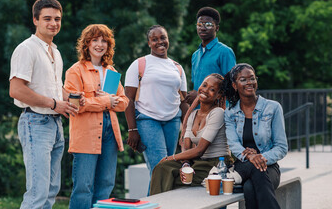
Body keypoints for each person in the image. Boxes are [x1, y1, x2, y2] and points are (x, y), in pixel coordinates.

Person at [9, 0, 82, 209]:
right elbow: (16, 90)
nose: (53, 23)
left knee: (50, 191)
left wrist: (69, 96)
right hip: (35, 122)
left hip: (55, 125)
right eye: (47, 18)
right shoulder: (27, 48)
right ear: (35, 20)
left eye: (57, 19)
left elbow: (54, 87)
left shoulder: (55, 52)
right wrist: (53, 103)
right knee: (37, 193)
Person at [64, 24, 129, 209]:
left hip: (110, 132)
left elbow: (124, 103)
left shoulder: (111, 71)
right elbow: (77, 105)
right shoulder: (75, 71)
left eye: (104, 41)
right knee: (83, 187)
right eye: (95, 40)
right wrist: (108, 102)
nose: (100, 44)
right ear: (86, 44)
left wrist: (109, 100)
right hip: (85, 134)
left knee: (106, 185)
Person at [149, 74, 233, 195]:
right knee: (161, 168)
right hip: (198, 162)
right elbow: (186, 146)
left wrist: (170, 157)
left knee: (170, 177)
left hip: (217, 164)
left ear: (218, 95)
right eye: (204, 85)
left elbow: (199, 150)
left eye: (212, 89)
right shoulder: (193, 115)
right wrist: (186, 163)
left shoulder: (218, 113)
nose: (205, 90)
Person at [124, 25, 189, 179]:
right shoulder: (139, 64)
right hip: (148, 120)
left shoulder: (177, 68)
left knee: (167, 169)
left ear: (168, 39)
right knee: (160, 168)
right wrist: (132, 130)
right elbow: (128, 99)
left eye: (163, 38)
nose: (160, 42)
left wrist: (187, 130)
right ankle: (157, 203)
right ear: (149, 43)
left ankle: (155, 203)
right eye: (155, 39)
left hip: (173, 121)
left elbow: (184, 102)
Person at [223, 63, 288, 209]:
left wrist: (260, 157)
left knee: (249, 188)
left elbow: (281, 147)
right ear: (235, 85)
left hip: (268, 165)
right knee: (251, 183)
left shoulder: (273, 108)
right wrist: (250, 157)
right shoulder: (230, 113)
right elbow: (234, 145)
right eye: (243, 79)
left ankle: (240, 173)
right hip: (243, 163)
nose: (249, 83)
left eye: (252, 78)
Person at [185, 6, 236, 105]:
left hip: (218, 110)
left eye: (208, 25)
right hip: (198, 111)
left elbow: (232, 86)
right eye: (199, 24)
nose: (203, 28)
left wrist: (200, 95)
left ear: (217, 28)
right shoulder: (195, 55)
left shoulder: (225, 52)